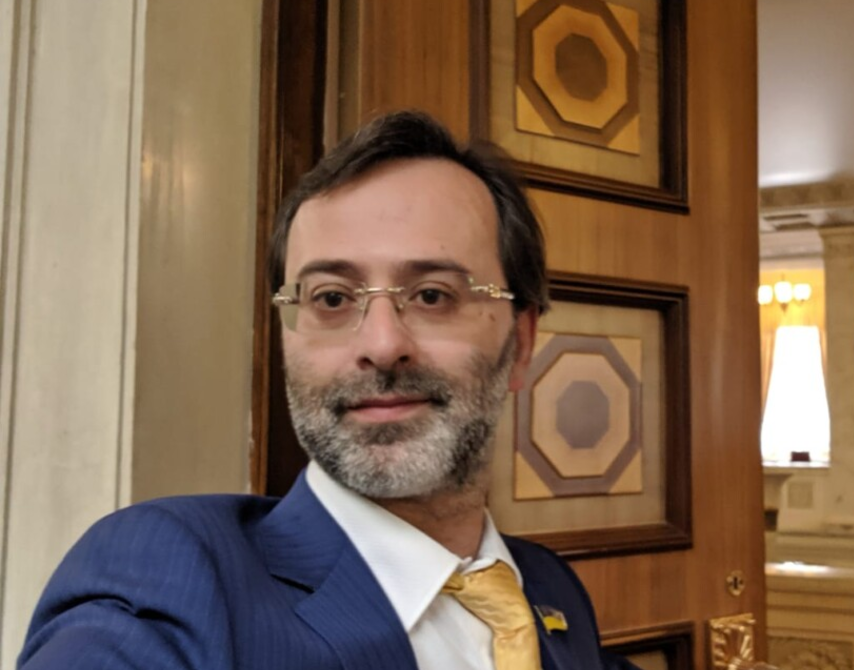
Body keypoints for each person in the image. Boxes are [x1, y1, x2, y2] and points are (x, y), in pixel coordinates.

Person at [18, 110, 639, 670]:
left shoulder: (547, 589)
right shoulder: (171, 579)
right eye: (333, 299)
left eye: (432, 295)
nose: (381, 344)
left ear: (521, 344)